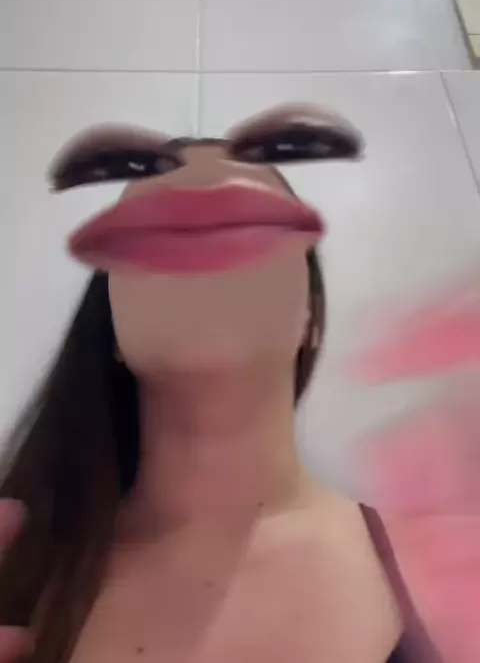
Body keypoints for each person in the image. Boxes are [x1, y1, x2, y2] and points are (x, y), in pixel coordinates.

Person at [0, 104, 438, 662]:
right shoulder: (16, 568)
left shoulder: (451, 566)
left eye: (243, 227)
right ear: (111, 327)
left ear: (310, 316)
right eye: (159, 234)